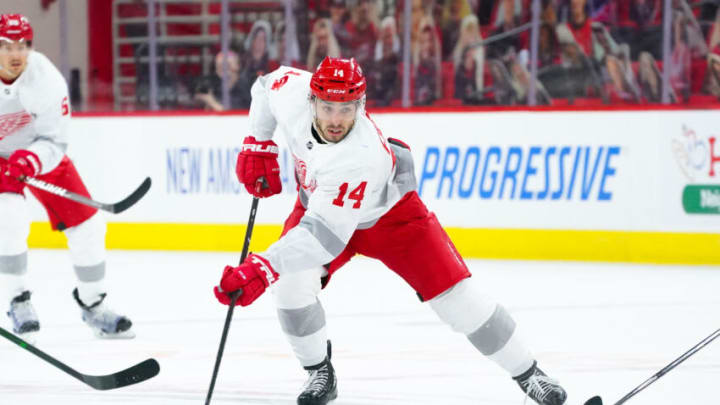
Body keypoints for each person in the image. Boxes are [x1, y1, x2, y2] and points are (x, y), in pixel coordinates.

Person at [213, 56, 568, 405]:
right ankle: (319, 371)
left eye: (347, 109)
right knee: (290, 288)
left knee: (457, 300)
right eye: (328, 108)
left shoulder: (359, 156)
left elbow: (322, 238)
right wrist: (257, 143)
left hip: (391, 217)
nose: (336, 119)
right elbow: (263, 88)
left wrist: (262, 266)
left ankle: (529, 373)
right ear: (311, 99)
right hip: (319, 208)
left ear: (361, 105)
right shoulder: (290, 89)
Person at [0, 14, 133, 340]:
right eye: (6, 46)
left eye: (24, 45)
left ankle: (94, 304)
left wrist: (32, 159)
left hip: (39, 154)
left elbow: (55, 141)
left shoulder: (44, 77)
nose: (16, 54)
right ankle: (18, 299)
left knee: (88, 225)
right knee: (10, 216)